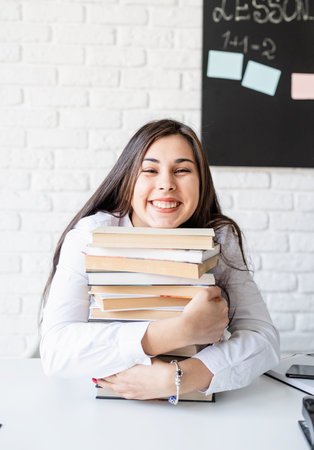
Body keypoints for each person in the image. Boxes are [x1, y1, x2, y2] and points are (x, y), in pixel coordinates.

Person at [40, 119, 280, 401]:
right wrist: (179, 331)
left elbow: (263, 338)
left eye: (182, 170)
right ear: (128, 180)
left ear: (201, 181)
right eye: (150, 170)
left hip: (199, 413)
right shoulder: (90, 237)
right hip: (104, 408)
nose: (166, 184)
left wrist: (180, 377)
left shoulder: (219, 239)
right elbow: (56, 350)